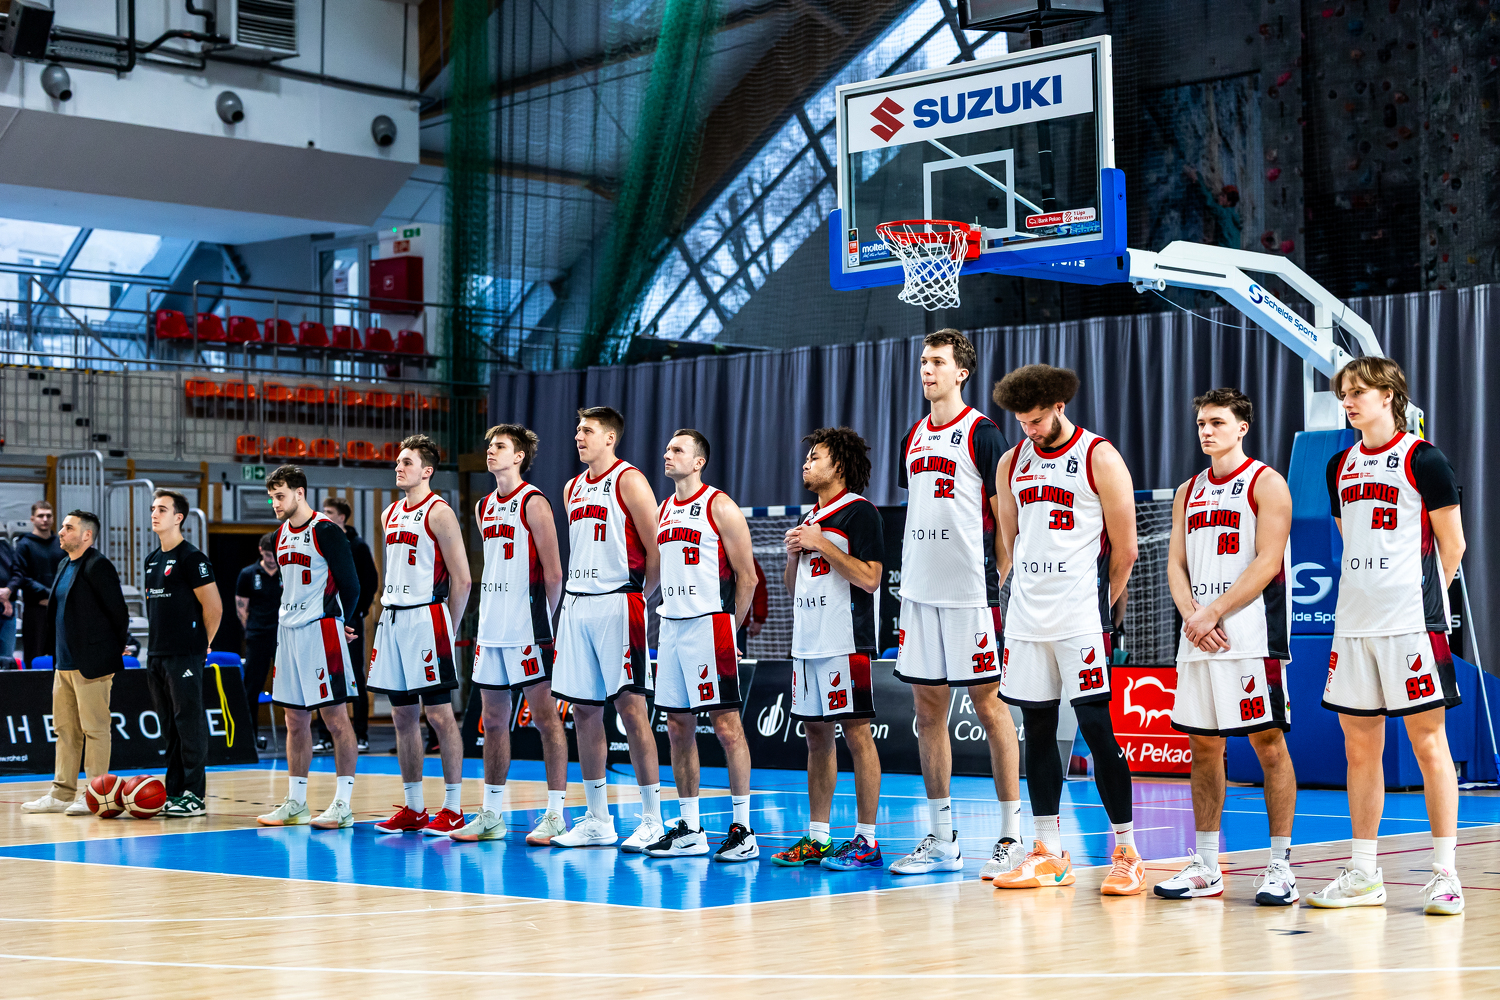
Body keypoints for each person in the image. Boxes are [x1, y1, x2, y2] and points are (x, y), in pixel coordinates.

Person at [1311, 357, 1466, 915]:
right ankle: (1363, 873)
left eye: (1358, 391)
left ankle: (1445, 875)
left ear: (1389, 395)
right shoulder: (1339, 465)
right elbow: (1347, 539)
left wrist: (1425, 602)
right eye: (1344, 393)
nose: (1348, 401)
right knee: (1359, 749)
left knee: (1429, 744)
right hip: (1354, 623)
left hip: (1411, 623)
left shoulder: (1424, 458)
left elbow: (1453, 544)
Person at [991, 364, 1145, 895]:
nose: (1029, 430)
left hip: (1079, 617)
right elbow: (1010, 540)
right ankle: (1048, 852)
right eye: (1021, 422)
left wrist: (1101, 606)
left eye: (1036, 420)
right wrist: (1016, 591)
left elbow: (1126, 548)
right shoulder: (1012, 461)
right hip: (1027, 619)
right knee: (1036, 730)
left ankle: (1127, 852)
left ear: (1059, 407)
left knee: (1097, 731)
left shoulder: (1099, 456)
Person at [887, 329, 1022, 878]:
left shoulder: (982, 433)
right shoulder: (912, 436)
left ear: (961, 372)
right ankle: (943, 839)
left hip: (969, 593)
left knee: (990, 707)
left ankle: (1012, 835)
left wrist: (1001, 574)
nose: (927, 369)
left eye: (938, 362)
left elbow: (1005, 512)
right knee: (927, 713)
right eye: (923, 361)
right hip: (920, 594)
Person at [1156, 389, 1299, 904]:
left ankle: (1280, 867)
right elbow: (1176, 564)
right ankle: (1207, 865)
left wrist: (1212, 612)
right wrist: (1193, 617)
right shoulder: (1187, 490)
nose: (1206, 431)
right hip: (1199, 635)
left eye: (1217, 422)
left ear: (1242, 427)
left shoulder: (1267, 483)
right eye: (1201, 423)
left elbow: (1268, 561)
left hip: (1251, 637)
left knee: (1268, 745)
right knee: (1203, 747)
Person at [770, 427, 886, 871]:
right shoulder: (810, 517)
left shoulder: (860, 512)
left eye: (815, 457)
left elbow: (870, 579)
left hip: (844, 641)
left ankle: (867, 840)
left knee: (857, 734)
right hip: (807, 643)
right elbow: (792, 587)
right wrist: (794, 556)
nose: (806, 464)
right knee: (816, 737)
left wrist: (820, 544)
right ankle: (818, 838)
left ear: (838, 465)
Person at [548, 406, 664, 851]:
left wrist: (637, 596)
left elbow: (656, 550)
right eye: (578, 430)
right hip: (577, 604)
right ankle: (598, 819)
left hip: (619, 600)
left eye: (588, 430)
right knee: (583, 712)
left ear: (610, 438)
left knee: (632, 710)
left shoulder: (629, 480)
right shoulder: (571, 487)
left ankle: (652, 819)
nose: (579, 437)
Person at [643, 429, 760, 862]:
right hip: (671, 628)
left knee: (727, 728)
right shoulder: (663, 510)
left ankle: (744, 830)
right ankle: (690, 829)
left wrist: (729, 629)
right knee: (677, 726)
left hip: (710, 625)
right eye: (666, 448)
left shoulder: (720, 506)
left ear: (698, 462)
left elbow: (748, 577)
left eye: (677, 449)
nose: (667, 454)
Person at [450, 424, 568, 844]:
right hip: (491, 628)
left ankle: (555, 814)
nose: (491, 451)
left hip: (528, 628)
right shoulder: (483, 506)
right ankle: (491, 813)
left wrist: (544, 623)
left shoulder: (534, 502)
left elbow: (554, 574)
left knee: (546, 720)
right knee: (494, 722)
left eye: (499, 446)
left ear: (519, 456)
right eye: (489, 446)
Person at [365, 435, 474, 836]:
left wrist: (448, 626)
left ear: (427, 471)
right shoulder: (389, 513)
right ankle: (413, 808)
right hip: (393, 618)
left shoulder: (440, 512)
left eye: (407, 462)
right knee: (402, 715)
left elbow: (463, 579)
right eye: (398, 461)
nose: (399, 467)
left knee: (440, 715)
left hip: (428, 616)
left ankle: (454, 808)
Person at [254, 466, 363, 830]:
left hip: (321, 629)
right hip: (288, 633)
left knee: (335, 718)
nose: (275, 503)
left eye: (280, 495)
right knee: (294, 719)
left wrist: (344, 621)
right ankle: (296, 802)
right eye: (271, 497)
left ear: (299, 493)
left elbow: (351, 584)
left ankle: (343, 804)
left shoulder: (326, 530)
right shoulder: (279, 535)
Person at [21, 511, 130, 815]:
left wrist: (110, 652)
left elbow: (118, 613)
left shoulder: (98, 566)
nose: (61, 532)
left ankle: (95, 793)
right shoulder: (63, 564)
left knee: (95, 729)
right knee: (65, 730)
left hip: (91, 664)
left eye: (68, 528)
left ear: (86, 535)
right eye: (63, 527)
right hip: (64, 664)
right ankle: (61, 793)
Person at [142, 489, 223, 818]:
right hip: (156, 654)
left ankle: (194, 795)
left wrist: (204, 644)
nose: (154, 514)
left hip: (185, 654)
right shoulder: (152, 560)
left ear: (179, 517)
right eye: (153, 508)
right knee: (170, 728)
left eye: (162, 509)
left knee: (189, 724)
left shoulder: (193, 558)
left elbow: (214, 607)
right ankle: (174, 791)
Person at [316, 496, 377, 753]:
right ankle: (324, 737)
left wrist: (358, 611)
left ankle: (361, 734)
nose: (325, 515)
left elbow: (370, 582)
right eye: (323, 511)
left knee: (354, 674)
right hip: (326, 617)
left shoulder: (358, 546)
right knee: (324, 673)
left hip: (350, 617)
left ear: (342, 517)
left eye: (329, 511)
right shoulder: (321, 542)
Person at [235, 531, 281, 751]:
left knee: (291, 687)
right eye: (269, 555)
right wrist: (252, 629)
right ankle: (249, 738)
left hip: (282, 637)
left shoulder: (286, 572)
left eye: (275, 555)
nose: (272, 560)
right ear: (261, 551)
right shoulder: (248, 574)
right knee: (251, 688)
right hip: (257, 635)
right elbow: (241, 607)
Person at [16, 500, 65, 667]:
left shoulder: (61, 544)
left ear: (53, 518)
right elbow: (22, 577)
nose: (45, 519)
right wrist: (49, 593)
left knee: (62, 658)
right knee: (34, 655)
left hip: (59, 609)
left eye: (48, 516)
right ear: (32, 519)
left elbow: (68, 572)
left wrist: (55, 596)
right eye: (40, 516)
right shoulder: (24, 544)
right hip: (35, 610)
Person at [0, 531, 20, 662]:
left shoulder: (5, 546)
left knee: (7, 659)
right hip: (5, 603)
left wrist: (8, 590)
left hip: (7, 610)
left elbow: (18, 573)